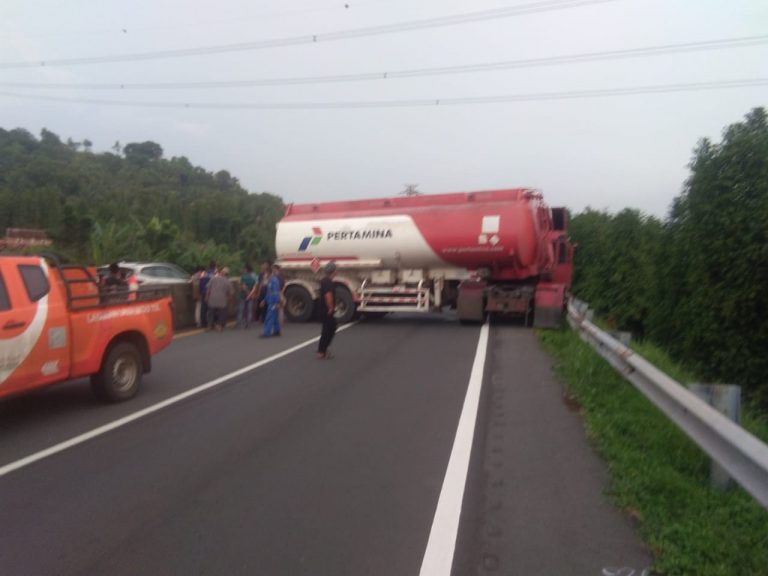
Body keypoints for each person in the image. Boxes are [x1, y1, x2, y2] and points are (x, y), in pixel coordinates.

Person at [317, 262, 338, 359]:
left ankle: (323, 349)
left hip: (323, 308)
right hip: (326, 309)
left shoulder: (324, 280)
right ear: (333, 271)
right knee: (328, 329)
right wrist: (330, 308)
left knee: (330, 328)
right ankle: (322, 351)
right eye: (335, 270)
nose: (336, 272)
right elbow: (328, 295)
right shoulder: (328, 282)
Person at [206, 266, 234, 331]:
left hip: (212, 298)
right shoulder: (228, 282)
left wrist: (207, 296)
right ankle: (219, 326)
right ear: (228, 274)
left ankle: (209, 326)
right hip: (222, 300)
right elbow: (231, 293)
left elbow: (208, 288)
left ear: (221, 273)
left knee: (211, 313)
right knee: (222, 313)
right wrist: (230, 301)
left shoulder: (213, 279)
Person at [261, 264, 282, 337]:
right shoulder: (270, 280)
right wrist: (264, 300)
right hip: (270, 301)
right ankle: (277, 330)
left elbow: (276, 292)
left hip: (273, 302)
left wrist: (276, 303)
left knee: (269, 317)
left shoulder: (274, 280)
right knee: (275, 317)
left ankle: (266, 333)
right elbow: (269, 292)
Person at [198, 260, 216, 329]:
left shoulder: (203, 273)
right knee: (212, 309)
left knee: (203, 308)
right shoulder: (214, 275)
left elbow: (200, 284)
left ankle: (203, 323)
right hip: (211, 293)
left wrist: (200, 292)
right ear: (214, 267)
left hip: (203, 292)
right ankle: (211, 322)